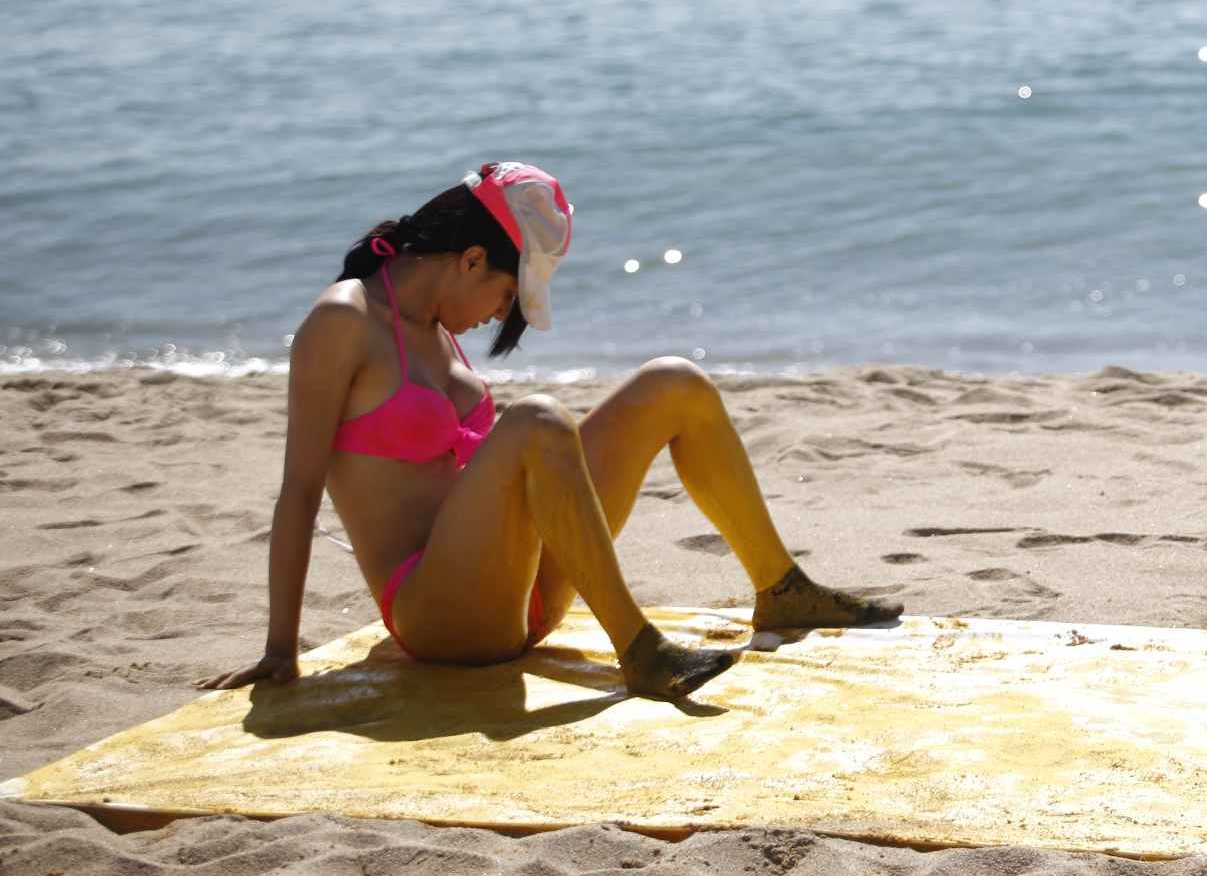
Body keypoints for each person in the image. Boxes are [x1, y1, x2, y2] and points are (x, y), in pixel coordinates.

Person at [203, 162, 899, 701]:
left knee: (674, 382)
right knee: (536, 418)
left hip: (524, 593)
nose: (495, 316)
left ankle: (781, 588)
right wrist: (280, 649)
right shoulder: (343, 322)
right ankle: (641, 650)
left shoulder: (436, 328)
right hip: (440, 618)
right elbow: (299, 490)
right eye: (506, 295)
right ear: (470, 259)